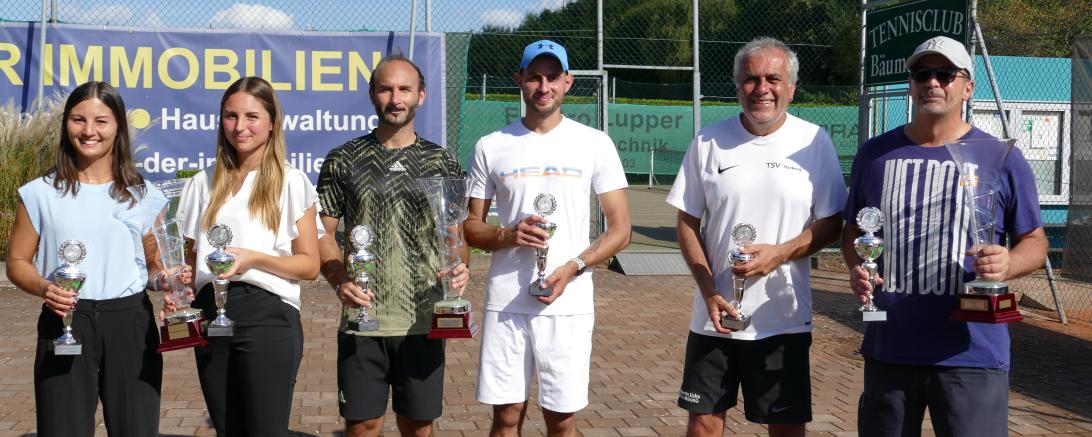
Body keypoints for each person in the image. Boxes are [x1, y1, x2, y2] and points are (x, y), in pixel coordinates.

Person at [841, 36, 1048, 436]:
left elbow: (1036, 242)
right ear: (912, 83)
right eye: (922, 73)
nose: (932, 82)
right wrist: (856, 267)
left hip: (972, 351)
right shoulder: (875, 154)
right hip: (891, 345)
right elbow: (853, 231)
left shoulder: (1001, 156)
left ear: (967, 87)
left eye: (945, 73)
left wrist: (1009, 262)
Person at [666, 37, 846, 437]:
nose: (761, 88)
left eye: (772, 79)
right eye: (750, 79)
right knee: (703, 425)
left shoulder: (814, 141)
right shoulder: (708, 141)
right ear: (737, 86)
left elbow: (833, 221)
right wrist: (708, 290)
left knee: (785, 428)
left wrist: (780, 253)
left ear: (791, 87)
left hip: (783, 319)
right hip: (715, 316)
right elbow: (687, 221)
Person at [464, 39, 632, 437]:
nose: (544, 87)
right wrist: (507, 234)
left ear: (568, 81)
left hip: (568, 303)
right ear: (519, 80)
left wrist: (574, 267)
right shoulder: (491, 146)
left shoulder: (595, 143)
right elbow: (471, 227)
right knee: (506, 417)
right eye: (534, 77)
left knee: (561, 420)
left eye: (553, 77)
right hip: (507, 303)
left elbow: (621, 229)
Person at [316, 54, 469, 437]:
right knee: (363, 425)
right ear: (372, 94)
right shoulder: (343, 159)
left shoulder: (443, 161)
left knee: (417, 425)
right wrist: (338, 280)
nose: (395, 98)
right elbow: (323, 234)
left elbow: (456, 236)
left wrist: (461, 267)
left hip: (423, 318)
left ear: (421, 95)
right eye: (386, 89)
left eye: (404, 89)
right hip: (363, 319)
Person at [6, 81, 166, 436]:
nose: (89, 131)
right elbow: (17, 262)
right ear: (66, 124)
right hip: (64, 320)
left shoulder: (143, 194)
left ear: (118, 127)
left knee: (136, 429)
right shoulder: (39, 194)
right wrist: (45, 288)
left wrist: (166, 281)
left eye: (101, 121)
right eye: (79, 119)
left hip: (130, 323)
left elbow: (153, 266)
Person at [173, 76, 322, 436]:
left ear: (272, 122)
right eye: (231, 116)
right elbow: (192, 263)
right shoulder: (201, 183)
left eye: (252, 116)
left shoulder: (291, 181)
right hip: (212, 313)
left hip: (267, 314)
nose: (240, 127)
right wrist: (178, 289)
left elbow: (309, 265)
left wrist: (254, 259)